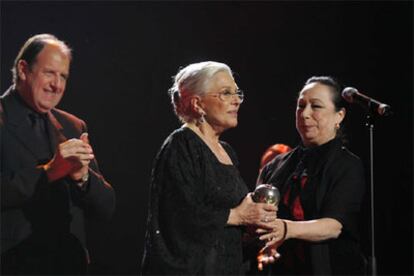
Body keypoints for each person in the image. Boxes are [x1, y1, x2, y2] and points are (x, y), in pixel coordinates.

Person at [141, 61, 277, 275]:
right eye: (226, 93)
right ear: (198, 104)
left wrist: (253, 223)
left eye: (237, 93)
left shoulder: (227, 151)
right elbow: (179, 216)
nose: (237, 100)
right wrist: (239, 216)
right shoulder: (180, 145)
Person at [0, 34, 115, 275]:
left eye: (63, 76)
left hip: (67, 264)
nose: (57, 85)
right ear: (23, 69)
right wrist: (50, 172)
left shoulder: (74, 126)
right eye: (49, 73)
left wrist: (83, 178)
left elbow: (106, 206)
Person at [256, 76, 367, 275]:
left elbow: (334, 226)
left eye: (315, 106)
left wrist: (285, 229)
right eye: (300, 105)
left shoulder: (348, 165)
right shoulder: (275, 166)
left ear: (339, 116)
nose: (304, 114)